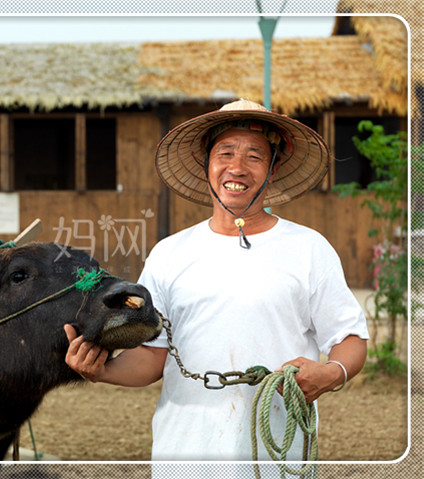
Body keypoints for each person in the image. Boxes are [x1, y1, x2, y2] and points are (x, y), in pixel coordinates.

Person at [64, 99, 369, 462]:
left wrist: (333, 373)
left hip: (276, 455)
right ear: (205, 164)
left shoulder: (308, 248)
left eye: (254, 156)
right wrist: (101, 370)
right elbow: (151, 356)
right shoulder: (169, 254)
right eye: (225, 153)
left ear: (272, 170)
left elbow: (349, 338)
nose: (237, 168)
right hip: (185, 451)